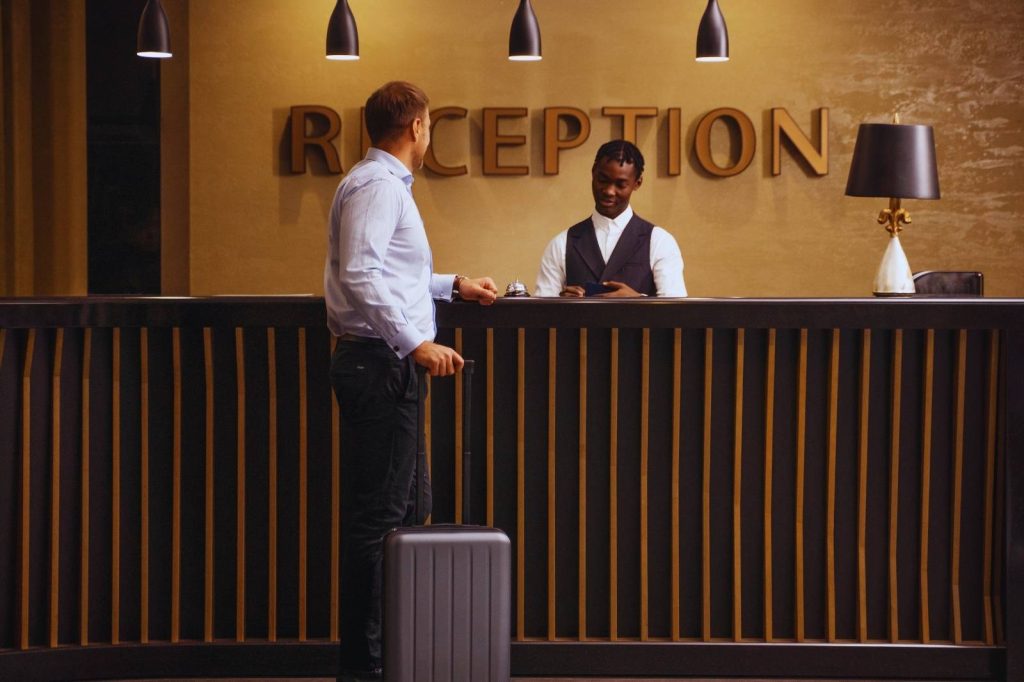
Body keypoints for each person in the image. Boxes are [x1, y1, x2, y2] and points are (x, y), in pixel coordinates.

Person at [324, 81, 498, 682]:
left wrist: (454, 286)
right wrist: (415, 342)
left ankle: (391, 654)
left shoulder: (380, 184)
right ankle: (367, 666)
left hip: (384, 364)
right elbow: (361, 274)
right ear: (417, 127)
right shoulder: (378, 187)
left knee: (406, 508)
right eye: (429, 127)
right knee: (379, 520)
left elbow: (393, 274)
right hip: (379, 364)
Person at [534, 139, 687, 298]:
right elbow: (540, 310)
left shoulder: (660, 241)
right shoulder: (561, 243)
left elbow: (676, 309)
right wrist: (563, 305)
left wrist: (637, 300)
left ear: (637, 183)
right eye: (603, 180)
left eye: (620, 185)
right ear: (593, 172)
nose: (609, 191)